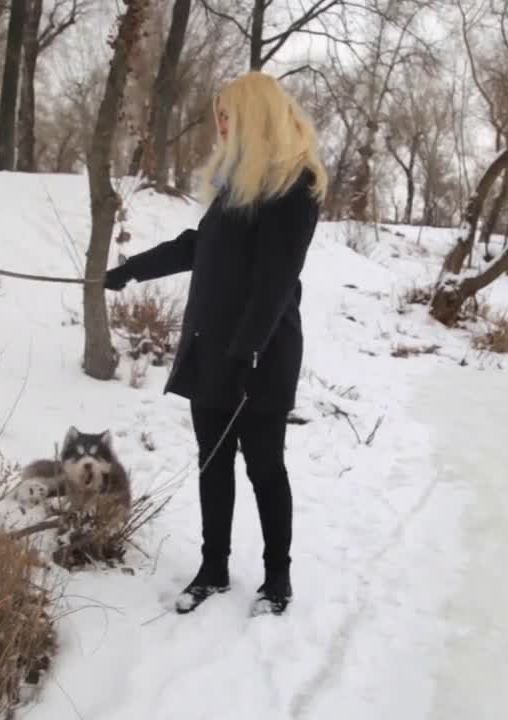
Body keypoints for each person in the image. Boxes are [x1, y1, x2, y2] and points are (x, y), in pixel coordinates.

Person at [102, 71, 327, 617]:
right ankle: (213, 567)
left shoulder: (294, 187)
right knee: (213, 463)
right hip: (211, 347)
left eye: (227, 115)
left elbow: (276, 280)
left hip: (259, 357)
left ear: (254, 116)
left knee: (265, 468)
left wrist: (248, 351)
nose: (220, 125)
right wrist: (133, 270)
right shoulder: (237, 183)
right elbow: (198, 246)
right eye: (218, 116)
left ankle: (278, 579)